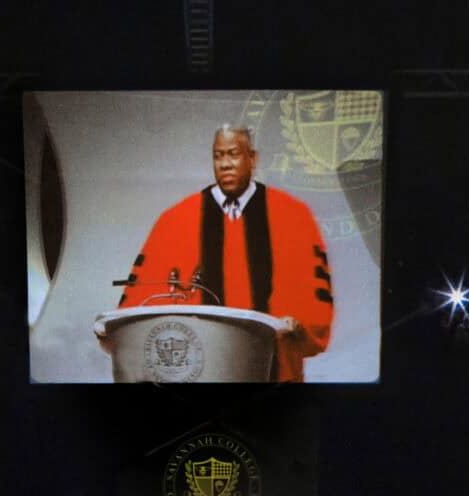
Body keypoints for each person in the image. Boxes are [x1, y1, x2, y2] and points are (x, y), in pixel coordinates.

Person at [109, 124, 334, 384]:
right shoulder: (175, 220)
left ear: (252, 159)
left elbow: (313, 299)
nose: (225, 164)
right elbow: (140, 298)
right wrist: (116, 329)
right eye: (218, 156)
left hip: (273, 378)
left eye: (233, 154)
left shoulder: (293, 216)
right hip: (194, 381)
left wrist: (300, 325)